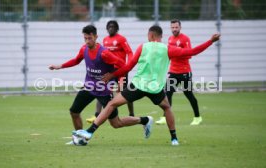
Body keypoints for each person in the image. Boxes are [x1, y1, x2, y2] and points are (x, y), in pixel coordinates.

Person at [75, 25, 220, 146]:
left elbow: (128, 67)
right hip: (155, 88)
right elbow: (192, 52)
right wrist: (210, 41)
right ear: (160, 36)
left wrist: (112, 75)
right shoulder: (167, 48)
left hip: (138, 85)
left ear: (150, 35)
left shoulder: (142, 47)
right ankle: (174, 138)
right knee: (167, 107)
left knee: (112, 104)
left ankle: (90, 131)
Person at [49, 25, 131, 145]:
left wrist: (112, 76)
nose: (87, 41)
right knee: (74, 111)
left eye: (90, 38)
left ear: (96, 37)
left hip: (104, 90)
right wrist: (59, 66)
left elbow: (123, 65)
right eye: (85, 38)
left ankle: (144, 120)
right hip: (89, 87)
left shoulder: (105, 53)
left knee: (116, 123)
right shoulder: (84, 49)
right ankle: (80, 138)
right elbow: (76, 60)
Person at [86, 20, 135, 124]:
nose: (110, 28)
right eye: (109, 27)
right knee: (101, 88)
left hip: (121, 70)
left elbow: (129, 52)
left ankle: (131, 113)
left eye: (113, 27)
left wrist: (129, 65)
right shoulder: (105, 40)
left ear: (117, 28)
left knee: (125, 92)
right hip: (109, 71)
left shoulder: (121, 39)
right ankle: (97, 115)